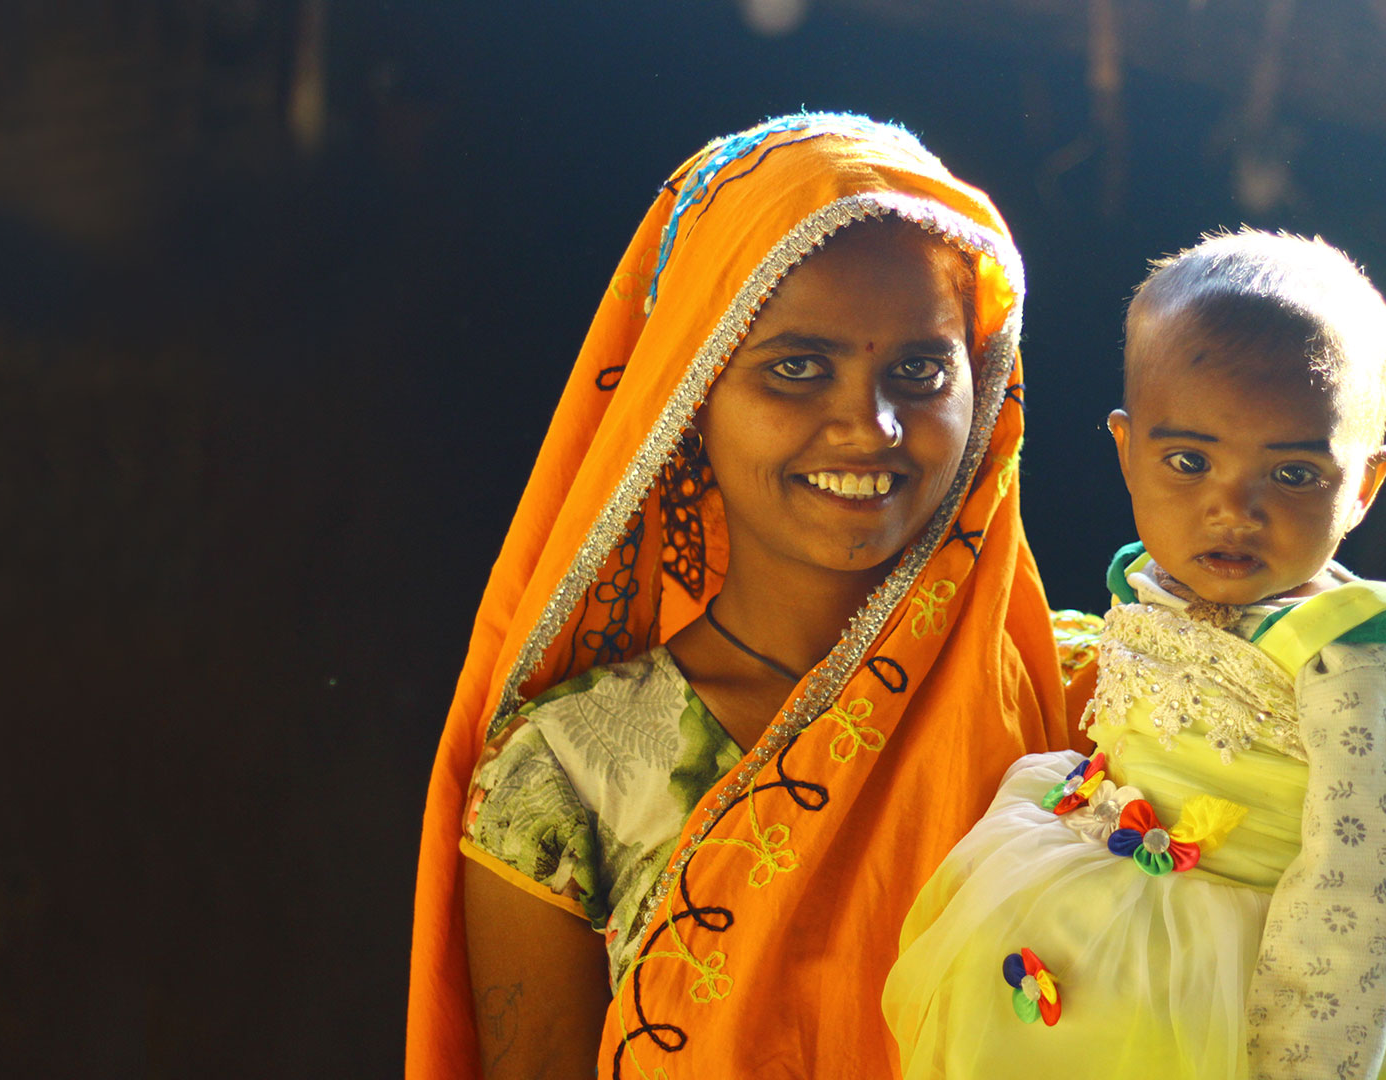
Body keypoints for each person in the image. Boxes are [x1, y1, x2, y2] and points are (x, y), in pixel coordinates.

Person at [407, 113, 1092, 1079]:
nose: (871, 423)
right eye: (798, 369)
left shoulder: (1089, 715)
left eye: (920, 371)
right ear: (692, 399)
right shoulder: (571, 772)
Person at [882, 230, 1386, 1079]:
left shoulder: (1362, 660)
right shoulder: (1149, 581)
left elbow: (1360, 895)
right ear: (1128, 452)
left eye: (1295, 475)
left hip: (1277, 987)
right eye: (1190, 462)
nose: (1233, 508)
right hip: (1102, 937)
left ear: (1367, 484)